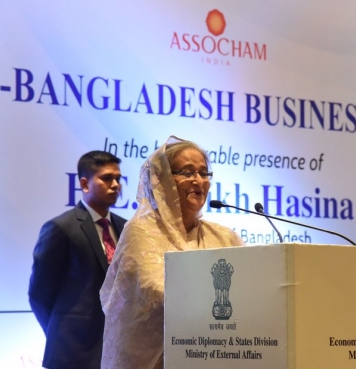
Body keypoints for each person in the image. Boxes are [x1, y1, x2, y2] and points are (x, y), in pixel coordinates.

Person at [100, 136, 243, 369]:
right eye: (187, 172)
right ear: (162, 180)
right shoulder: (141, 231)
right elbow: (156, 292)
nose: (198, 180)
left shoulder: (224, 236)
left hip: (214, 356)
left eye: (204, 173)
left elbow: (250, 288)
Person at [28, 151, 127, 369]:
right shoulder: (61, 228)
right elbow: (39, 295)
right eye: (106, 178)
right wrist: (60, 333)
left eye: (118, 179)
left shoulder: (126, 228)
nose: (115, 185)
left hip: (117, 350)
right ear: (84, 184)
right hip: (71, 353)